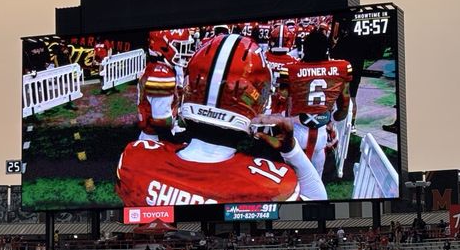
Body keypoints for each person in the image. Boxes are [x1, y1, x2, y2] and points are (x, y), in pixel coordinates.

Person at [116, 33, 327, 206]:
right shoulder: (272, 184)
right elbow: (319, 203)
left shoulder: (135, 158)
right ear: (255, 103)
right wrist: (291, 150)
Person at [275, 28, 353, 178]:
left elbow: (281, 98)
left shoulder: (290, 69)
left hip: (296, 128)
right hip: (321, 131)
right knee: (316, 177)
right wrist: (336, 116)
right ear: (327, 49)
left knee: (291, 174)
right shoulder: (342, 67)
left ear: (305, 48)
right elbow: (344, 102)